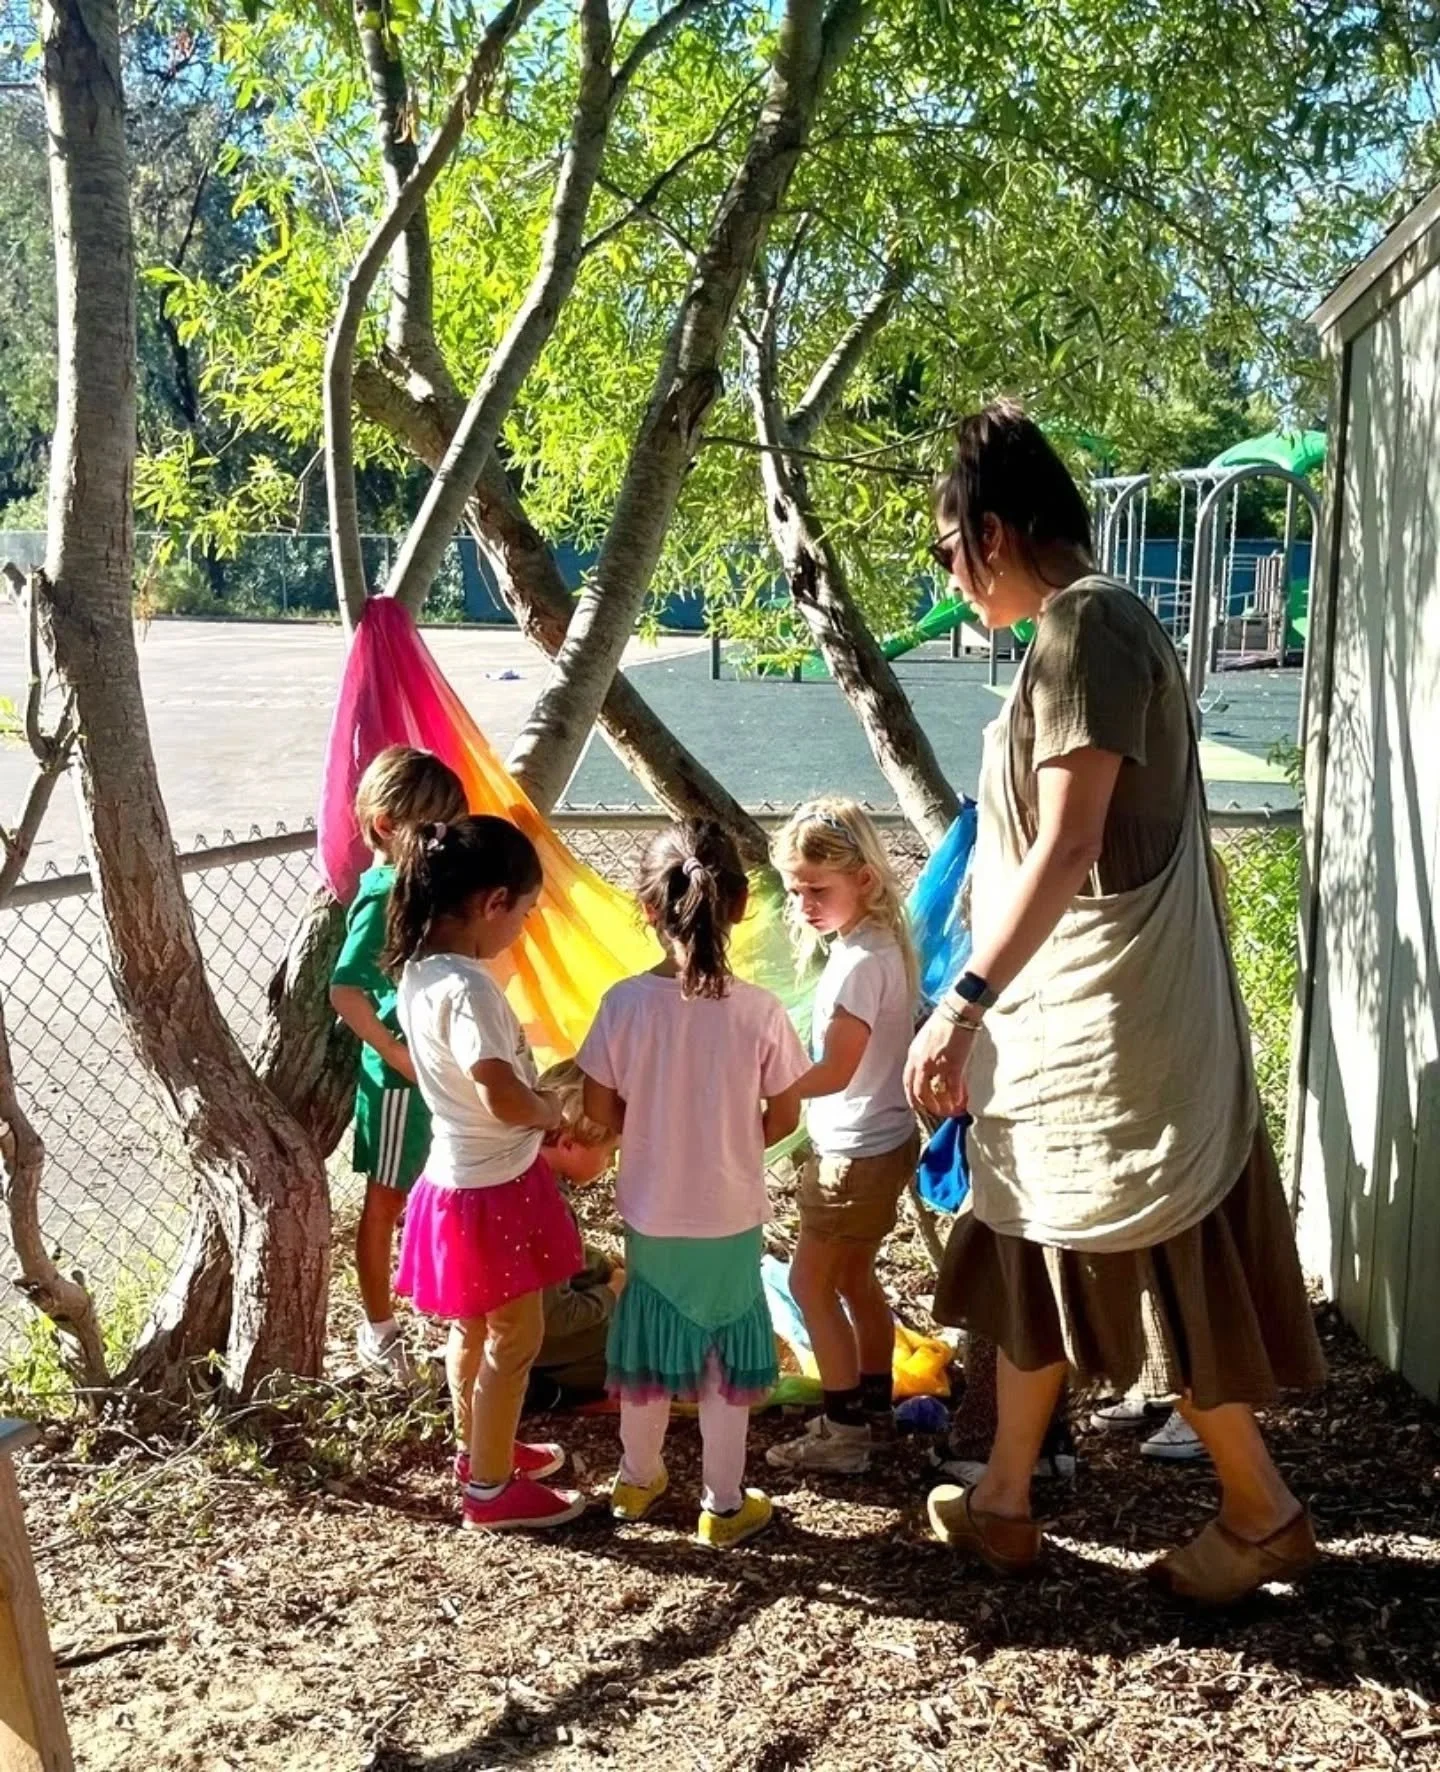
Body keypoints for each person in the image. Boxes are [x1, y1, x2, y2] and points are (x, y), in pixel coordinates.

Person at [905, 401, 1325, 1605]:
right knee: (1028, 1234)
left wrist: (963, 1001)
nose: (952, 579)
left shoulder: (1087, 628)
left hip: (1113, 1024)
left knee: (1167, 1250)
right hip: (1068, 1024)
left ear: (992, 532)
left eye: (949, 552)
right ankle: (1003, 1499)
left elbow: (1068, 841)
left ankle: (1261, 1509)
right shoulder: (1072, 632)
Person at [578, 820, 808, 1550]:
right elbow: (786, 1114)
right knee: (722, 1363)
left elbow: (597, 1111)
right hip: (731, 1213)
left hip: (651, 1209)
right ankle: (723, 1501)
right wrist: (731, 1146)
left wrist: (651, 1131)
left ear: (647, 908)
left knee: (648, 1353)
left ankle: (638, 1478)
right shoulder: (761, 1010)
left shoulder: (622, 1005)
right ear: (740, 906)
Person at [388, 814, 589, 1532]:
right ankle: (493, 1491)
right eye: (526, 914)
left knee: (470, 1332)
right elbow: (499, 1090)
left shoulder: (420, 971)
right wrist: (549, 1113)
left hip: (453, 1182)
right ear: (493, 902)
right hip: (494, 1190)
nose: (523, 930)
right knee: (515, 1338)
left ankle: (480, 1452)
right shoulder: (471, 988)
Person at [763, 798, 921, 1476]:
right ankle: (873, 1409)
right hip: (881, 1138)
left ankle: (843, 1429)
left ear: (866, 878)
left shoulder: (860, 963)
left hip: (853, 1148)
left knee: (809, 1283)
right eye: (795, 890)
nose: (802, 904)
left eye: (816, 889)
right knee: (856, 1280)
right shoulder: (880, 945)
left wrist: (769, 1085)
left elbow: (835, 1070)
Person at [330, 745, 467, 1379]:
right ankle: (379, 1331)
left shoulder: (421, 885)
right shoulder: (382, 890)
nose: (443, 842)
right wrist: (396, 1054)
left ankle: (438, 1307)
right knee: (386, 1200)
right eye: (432, 829)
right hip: (395, 1085)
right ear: (386, 826)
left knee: (433, 1193)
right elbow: (346, 988)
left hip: (431, 1073)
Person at [528, 1060, 625, 1409]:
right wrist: (612, 1291)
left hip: (503, 1329)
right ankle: (550, 1391)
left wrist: (599, 1266)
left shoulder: (520, 1173)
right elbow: (556, 1317)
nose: (611, 1163)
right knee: (649, 1343)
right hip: (534, 1343)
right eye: (609, 1152)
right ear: (569, 1144)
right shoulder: (550, 1208)